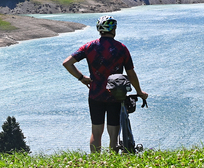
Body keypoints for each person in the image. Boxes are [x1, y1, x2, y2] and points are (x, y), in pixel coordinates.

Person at [62, 15, 148, 153]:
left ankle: (95, 162)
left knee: (96, 132)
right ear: (113, 29)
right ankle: (112, 162)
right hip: (115, 95)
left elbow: (67, 63)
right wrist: (139, 92)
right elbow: (131, 74)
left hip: (95, 95)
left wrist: (81, 78)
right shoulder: (121, 48)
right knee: (113, 135)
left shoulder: (88, 46)